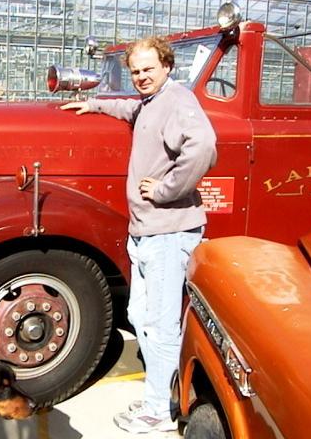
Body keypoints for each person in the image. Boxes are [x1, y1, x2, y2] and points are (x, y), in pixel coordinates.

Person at [61, 36, 217, 434]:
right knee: (139, 315)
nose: (142, 77)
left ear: (167, 67)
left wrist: (165, 190)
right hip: (146, 232)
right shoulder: (151, 102)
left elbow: (204, 146)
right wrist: (95, 104)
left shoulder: (178, 100)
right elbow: (132, 107)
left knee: (161, 323)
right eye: (135, 71)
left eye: (149, 69)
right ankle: (158, 393)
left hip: (168, 233)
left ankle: (160, 412)